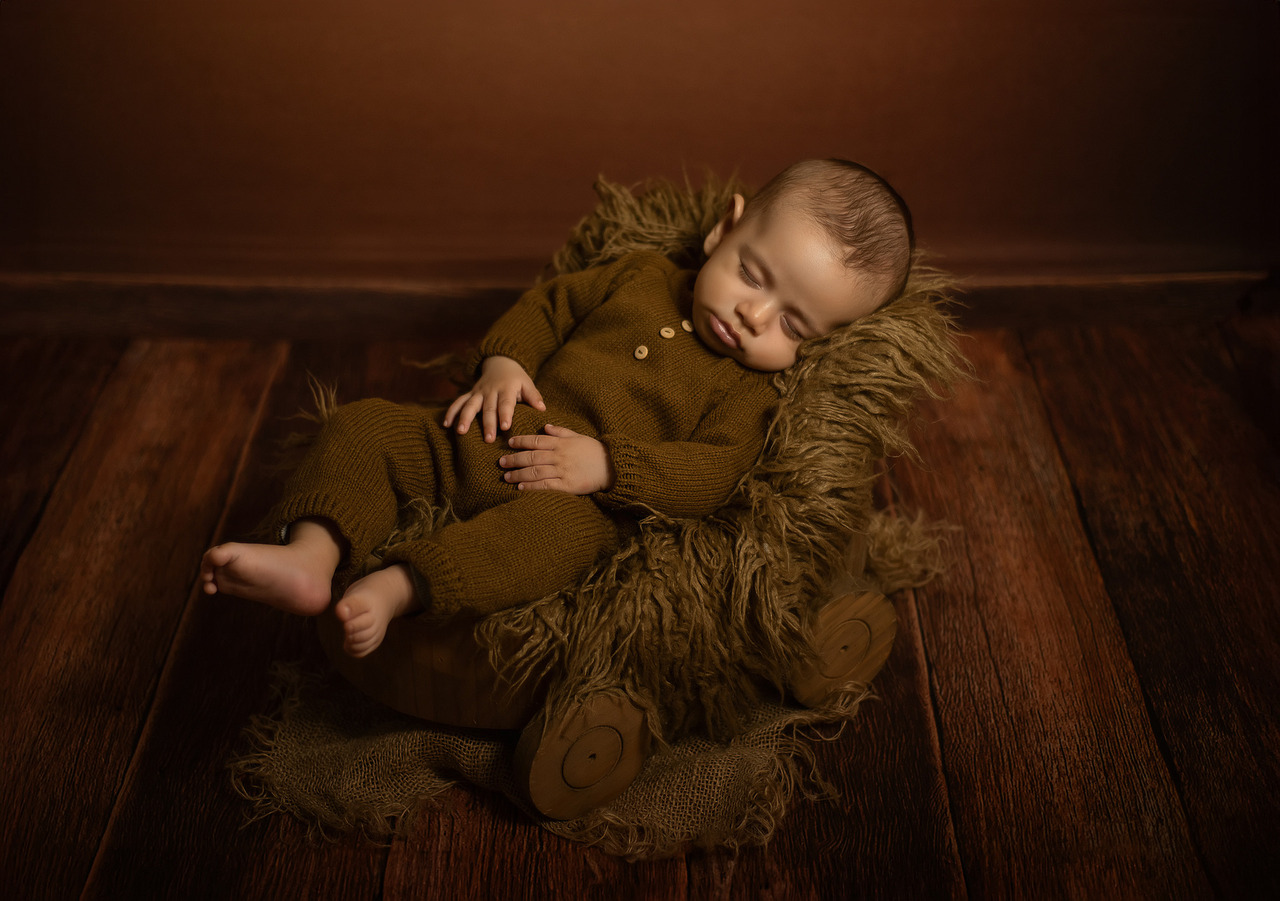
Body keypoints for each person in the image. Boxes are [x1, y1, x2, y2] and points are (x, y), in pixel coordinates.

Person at [200, 158, 914, 657]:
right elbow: (548, 306)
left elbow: (714, 472)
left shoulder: (747, 392)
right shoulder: (639, 275)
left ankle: (399, 587)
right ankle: (309, 556)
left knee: (541, 547)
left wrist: (608, 466)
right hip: (493, 430)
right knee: (366, 428)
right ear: (723, 231)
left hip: (577, 504)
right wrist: (504, 363)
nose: (755, 315)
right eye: (752, 274)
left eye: (793, 326)